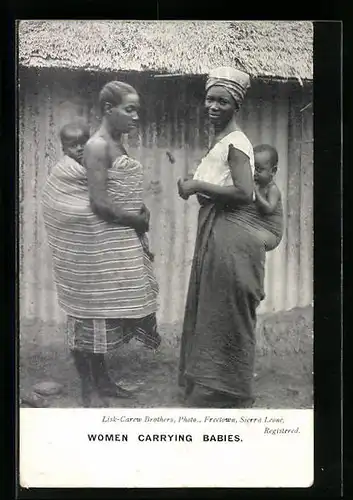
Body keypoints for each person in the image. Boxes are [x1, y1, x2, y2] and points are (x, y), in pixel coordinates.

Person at [41, 82, 160, 408]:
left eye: (138, 110)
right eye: (129, 109)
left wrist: (138, 205)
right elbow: (97, 205)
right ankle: (88, 390)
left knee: (101, 319)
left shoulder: (114, 143)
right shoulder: (96, 146)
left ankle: (104, 382)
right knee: (88, 318)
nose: (136, 116)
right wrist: (136, 220)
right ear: (109, 110)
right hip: (91, 246)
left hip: (107, 243)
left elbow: (118, 189)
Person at [177, 66, 268, 408]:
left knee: (225, 308)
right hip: (217, 228)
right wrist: (195, 186)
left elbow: (244, 192)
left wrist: (198, 185)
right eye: (210, 99)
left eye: (222, 102)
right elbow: (223, 185)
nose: (213, 107)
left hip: (230, 233)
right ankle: (214, 384)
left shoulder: (237, 142)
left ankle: (231, 389)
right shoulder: (222, 141)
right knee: (213, 306)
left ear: (236, 106)